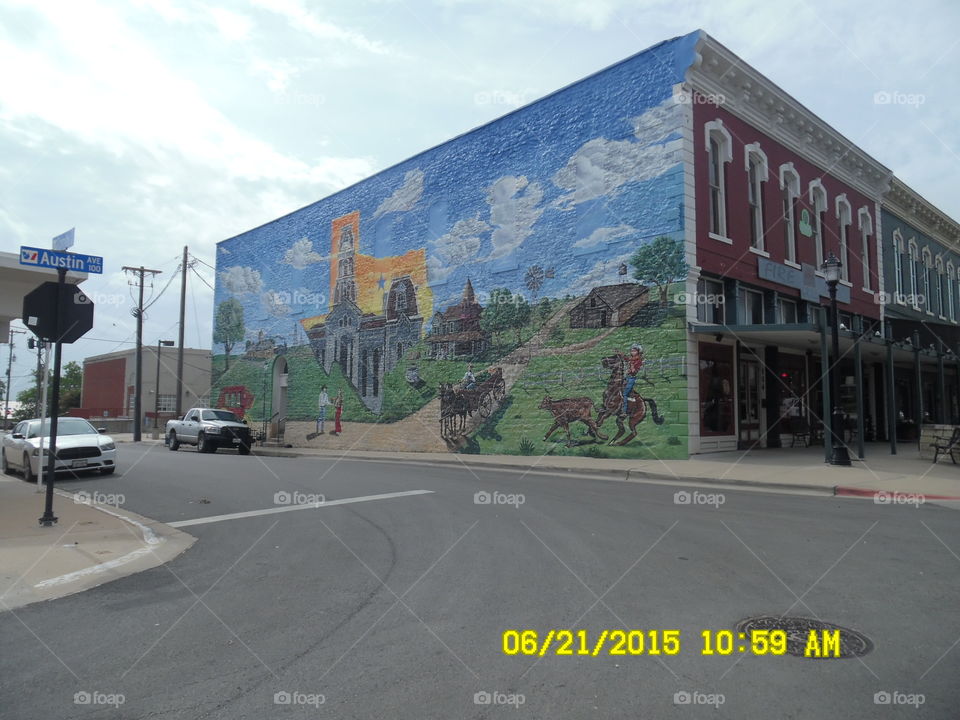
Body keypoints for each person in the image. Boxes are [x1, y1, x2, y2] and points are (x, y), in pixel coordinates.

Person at [622, 344, 645, 415]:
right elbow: (626, 359)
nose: (632, 352)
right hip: (627, 377)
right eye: (631, 351)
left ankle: (624, 410)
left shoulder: (638, 361)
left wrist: (631, 366)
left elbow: (634, 372)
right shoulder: (631, 359)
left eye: (634, 351)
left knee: (625, 394)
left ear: (638, 352)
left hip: (631, 378)